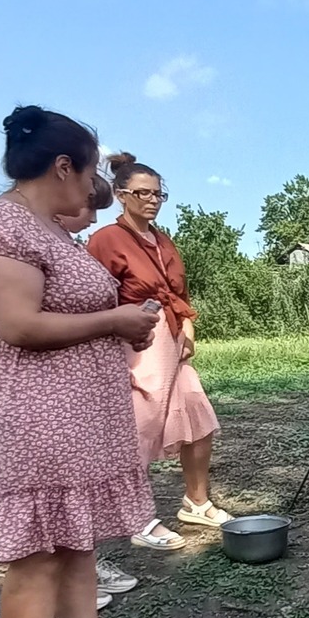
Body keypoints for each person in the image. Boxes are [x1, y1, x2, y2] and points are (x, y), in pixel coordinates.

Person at [0, 107, 165, 618]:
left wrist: (114, 165)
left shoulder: (46, 223)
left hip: (78, 411)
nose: (97, 185)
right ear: (61, 166)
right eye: (88, 168)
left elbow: (96, 196)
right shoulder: (4, 228)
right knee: (39, 556)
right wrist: (115, 321)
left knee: (76, 541)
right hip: (39, 414)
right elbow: (19, 325)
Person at [86, 154, 230, 549]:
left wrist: (188, 327)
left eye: (158, 194)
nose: (152, 200)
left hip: (173, 340)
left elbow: (179, 294)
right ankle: (136, 518)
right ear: (121, 195)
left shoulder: (163, 240)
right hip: (137, 346)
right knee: (140, 427)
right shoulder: (106, 240)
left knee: (198, 415)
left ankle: (196, 502)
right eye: (142, 193)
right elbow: (94, 299)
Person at [54, 178, 137, 609]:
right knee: (64, 493)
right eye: (88, 207)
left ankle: (83, 577)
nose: (91, 219)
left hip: (88, 384)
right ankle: (71, 583)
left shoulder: (66, 245)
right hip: (54, 392)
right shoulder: (18, 235)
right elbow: (21, 324)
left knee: (82, 487)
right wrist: (114, 322)